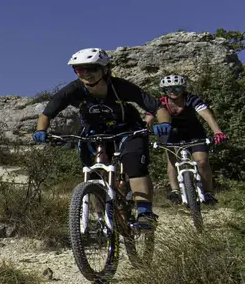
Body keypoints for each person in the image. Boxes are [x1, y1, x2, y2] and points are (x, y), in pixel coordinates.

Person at [33, 48, 168, 228]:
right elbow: (47, 113)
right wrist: (41, 130)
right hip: (94, 132)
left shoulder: (121, 87)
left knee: (135, 164)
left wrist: (164, 124)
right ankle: (100, 216)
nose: (86, 74)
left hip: (128, 129)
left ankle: (145, 212)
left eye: (92, 69)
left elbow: (157, 107)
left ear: (105, 69)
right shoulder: (73, 90)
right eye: (80, 70)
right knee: (94, 172)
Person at [153, 73, 225, 204]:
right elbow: (148, 118)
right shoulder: (160, 102)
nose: (173, 91)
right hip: (172, 134)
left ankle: (208, 192)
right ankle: (175, 190)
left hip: (194, 132)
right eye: (169, 89)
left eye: (177, 88)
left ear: (183, 89)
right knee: (172, 159)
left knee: (202, 161)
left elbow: (206, 114)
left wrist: (217, 131)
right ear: (164, 90)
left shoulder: (191, 99)